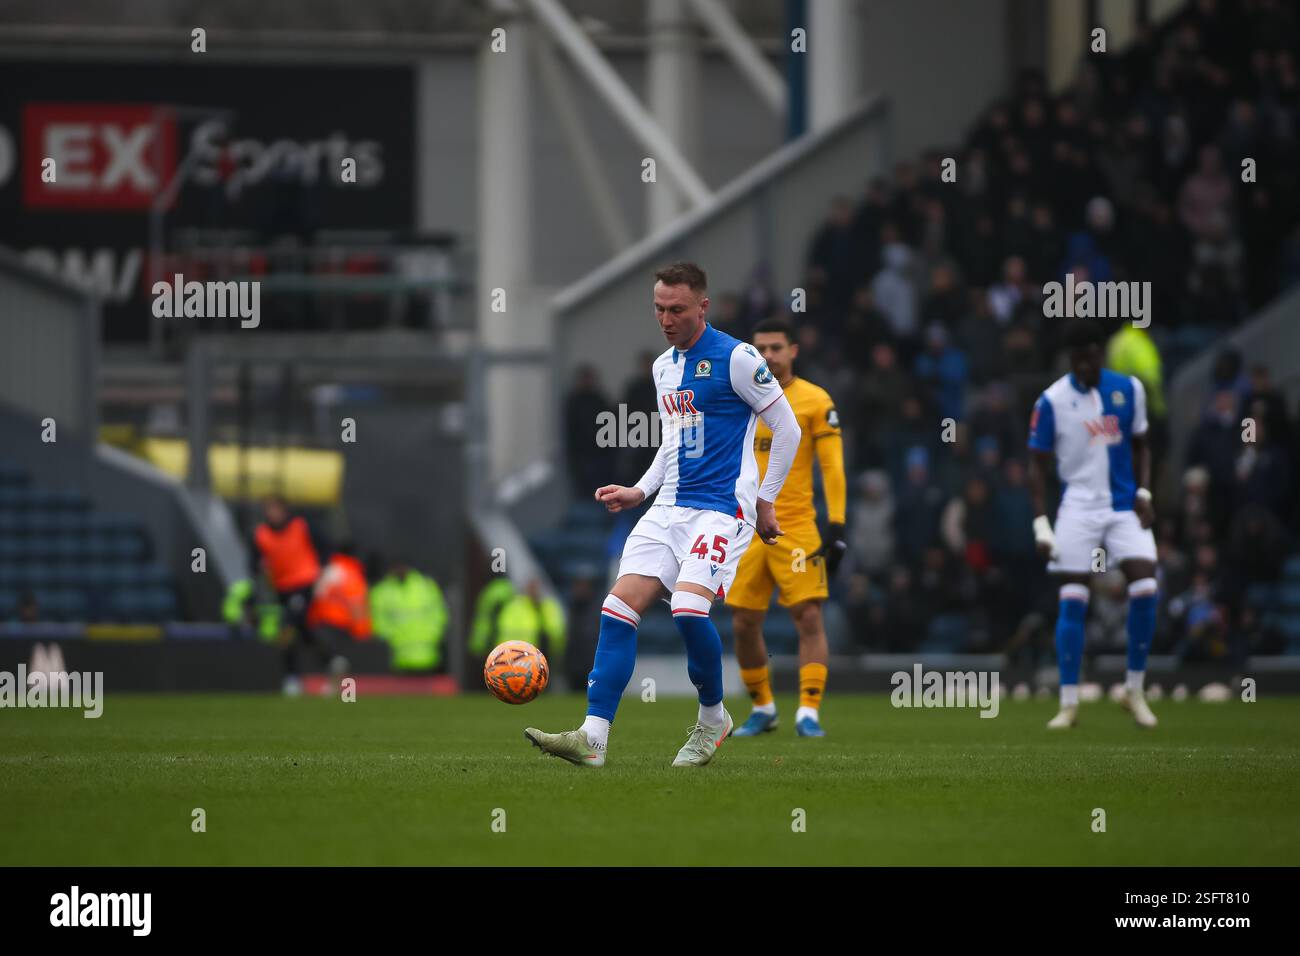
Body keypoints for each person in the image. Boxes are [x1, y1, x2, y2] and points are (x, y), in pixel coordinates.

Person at [524, 262, 800, 768]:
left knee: (688, 611)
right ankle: (593, 738)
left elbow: (787, 429)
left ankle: (713, 719)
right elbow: (674, 442)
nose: (666, 319)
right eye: (658, 309)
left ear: (703, 307)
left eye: (676, 309)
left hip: (721, 510)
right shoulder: (662, 368)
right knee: (617, 609)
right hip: (667, 507)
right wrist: (640, 490)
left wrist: (766, 500)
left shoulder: (738, 358)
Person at [1027, 319, 1159, 729]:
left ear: (1100, 354)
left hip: (1122, 504)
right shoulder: (1051, 400)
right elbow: (1037, 465)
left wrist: (1144, 492)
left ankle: (1133, 689)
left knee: (1146, 585)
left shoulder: (1128, 389)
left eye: (1089, 357)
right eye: (1075, 359)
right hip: (1078, 506)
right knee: (1072, 598)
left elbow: (1141, 445)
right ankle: (1068, 703)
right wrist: (1040, 522)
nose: (1082, 366)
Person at [725, 316, 847, 737]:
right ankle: (764, 708)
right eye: (761, 348)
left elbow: (832, 464)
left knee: (808, 615)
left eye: (777, 347)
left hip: (794, 525)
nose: (769, 356)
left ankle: (808, 711)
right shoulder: (738, 396)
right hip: (744, 526)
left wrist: (837, 521)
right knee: (742, 621)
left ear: (794, 350)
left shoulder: (814, 401)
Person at [251, 495, 325, 695]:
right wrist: (259, 568)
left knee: (287, 625)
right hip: (282, 588)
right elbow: (254, 563)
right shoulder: (261, 534)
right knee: (302, 629)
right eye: (269, 510)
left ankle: (291, 676)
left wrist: (322, 573)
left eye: (275, 509)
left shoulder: (301, 526)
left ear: (284, 510)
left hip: (304, 583)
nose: (272, 514)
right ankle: (329, 661)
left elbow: (324, 547)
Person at [369, 557, 449, 672]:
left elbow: (439, 616)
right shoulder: (381, 591)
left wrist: (433, 635)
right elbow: (378, 624)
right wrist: (394, 637)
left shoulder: (427, 587)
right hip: (397, 657)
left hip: (428, 656)